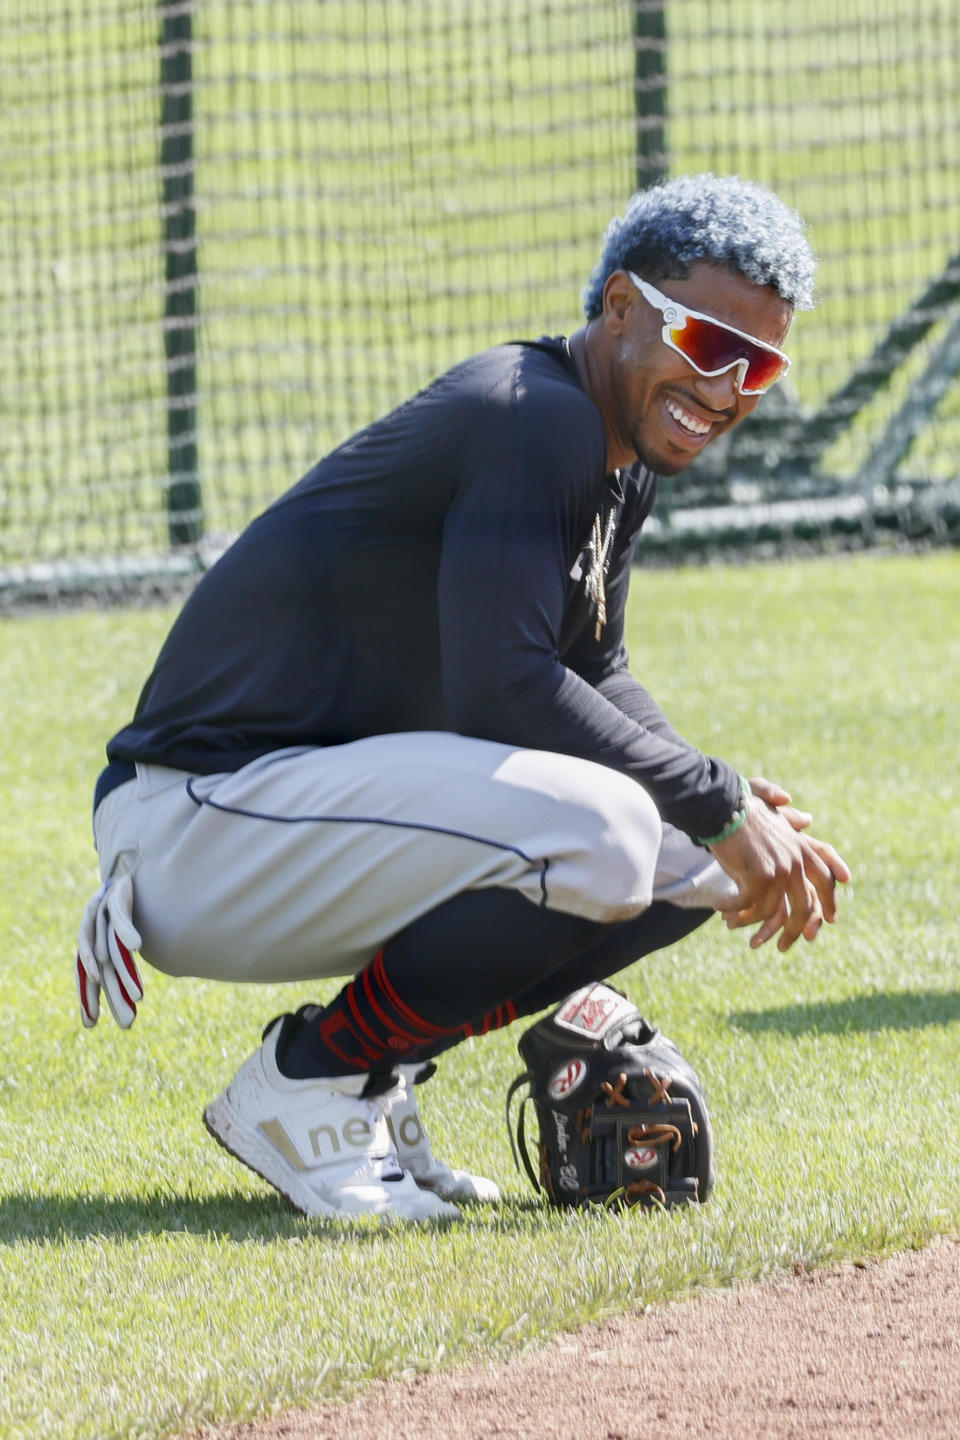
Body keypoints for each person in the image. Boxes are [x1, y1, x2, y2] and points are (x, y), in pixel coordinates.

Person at [76, 173, 851, 1224]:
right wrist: (708, 794)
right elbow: (505, 687)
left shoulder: (614, 455)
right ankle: (309, 1077)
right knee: (623, 826)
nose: (727, 389)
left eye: (759, 365)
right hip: (201, 820)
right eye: (711, 345)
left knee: (684, 866)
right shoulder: (534, 421)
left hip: (294, 820)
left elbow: (592, 667)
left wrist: (721, 813)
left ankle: (365, 1084)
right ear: (621, 306)